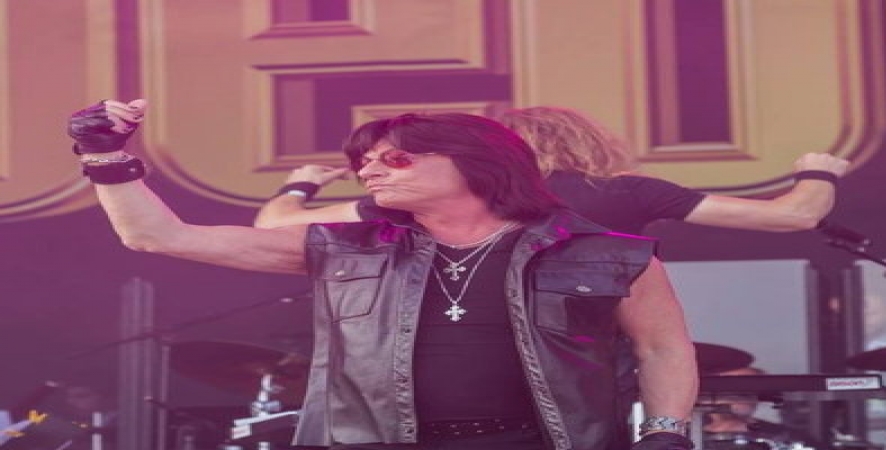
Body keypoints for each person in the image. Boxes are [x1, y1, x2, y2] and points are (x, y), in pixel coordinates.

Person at [68, 99, 698, 450]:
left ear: (478, 163)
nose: (368, 171)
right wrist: (105, 154)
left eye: (394, 159)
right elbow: (157, 235)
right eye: (365, 161)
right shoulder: (347, 247)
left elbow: (663, 348)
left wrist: (665, 432)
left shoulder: (604, 252)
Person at [254, 106, 849, 234]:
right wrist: (817, 172)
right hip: (598, 360)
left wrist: (301, 181)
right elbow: (794, 218)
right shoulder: (628, 192)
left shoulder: (439, 194)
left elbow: (274, 224)